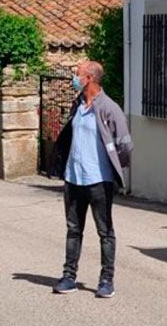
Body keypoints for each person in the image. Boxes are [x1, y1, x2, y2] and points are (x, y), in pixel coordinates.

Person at [50, 60, 133, 299]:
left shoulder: (109, 108)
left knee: (105, 232)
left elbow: (126, 146)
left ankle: (106, 280)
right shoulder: (78, 105)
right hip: (74, 179)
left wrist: (115, 167)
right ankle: (69, 277)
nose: (74, 79)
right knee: (73, 230)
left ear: (89, 79)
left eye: (77, 75)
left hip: (99, 181)